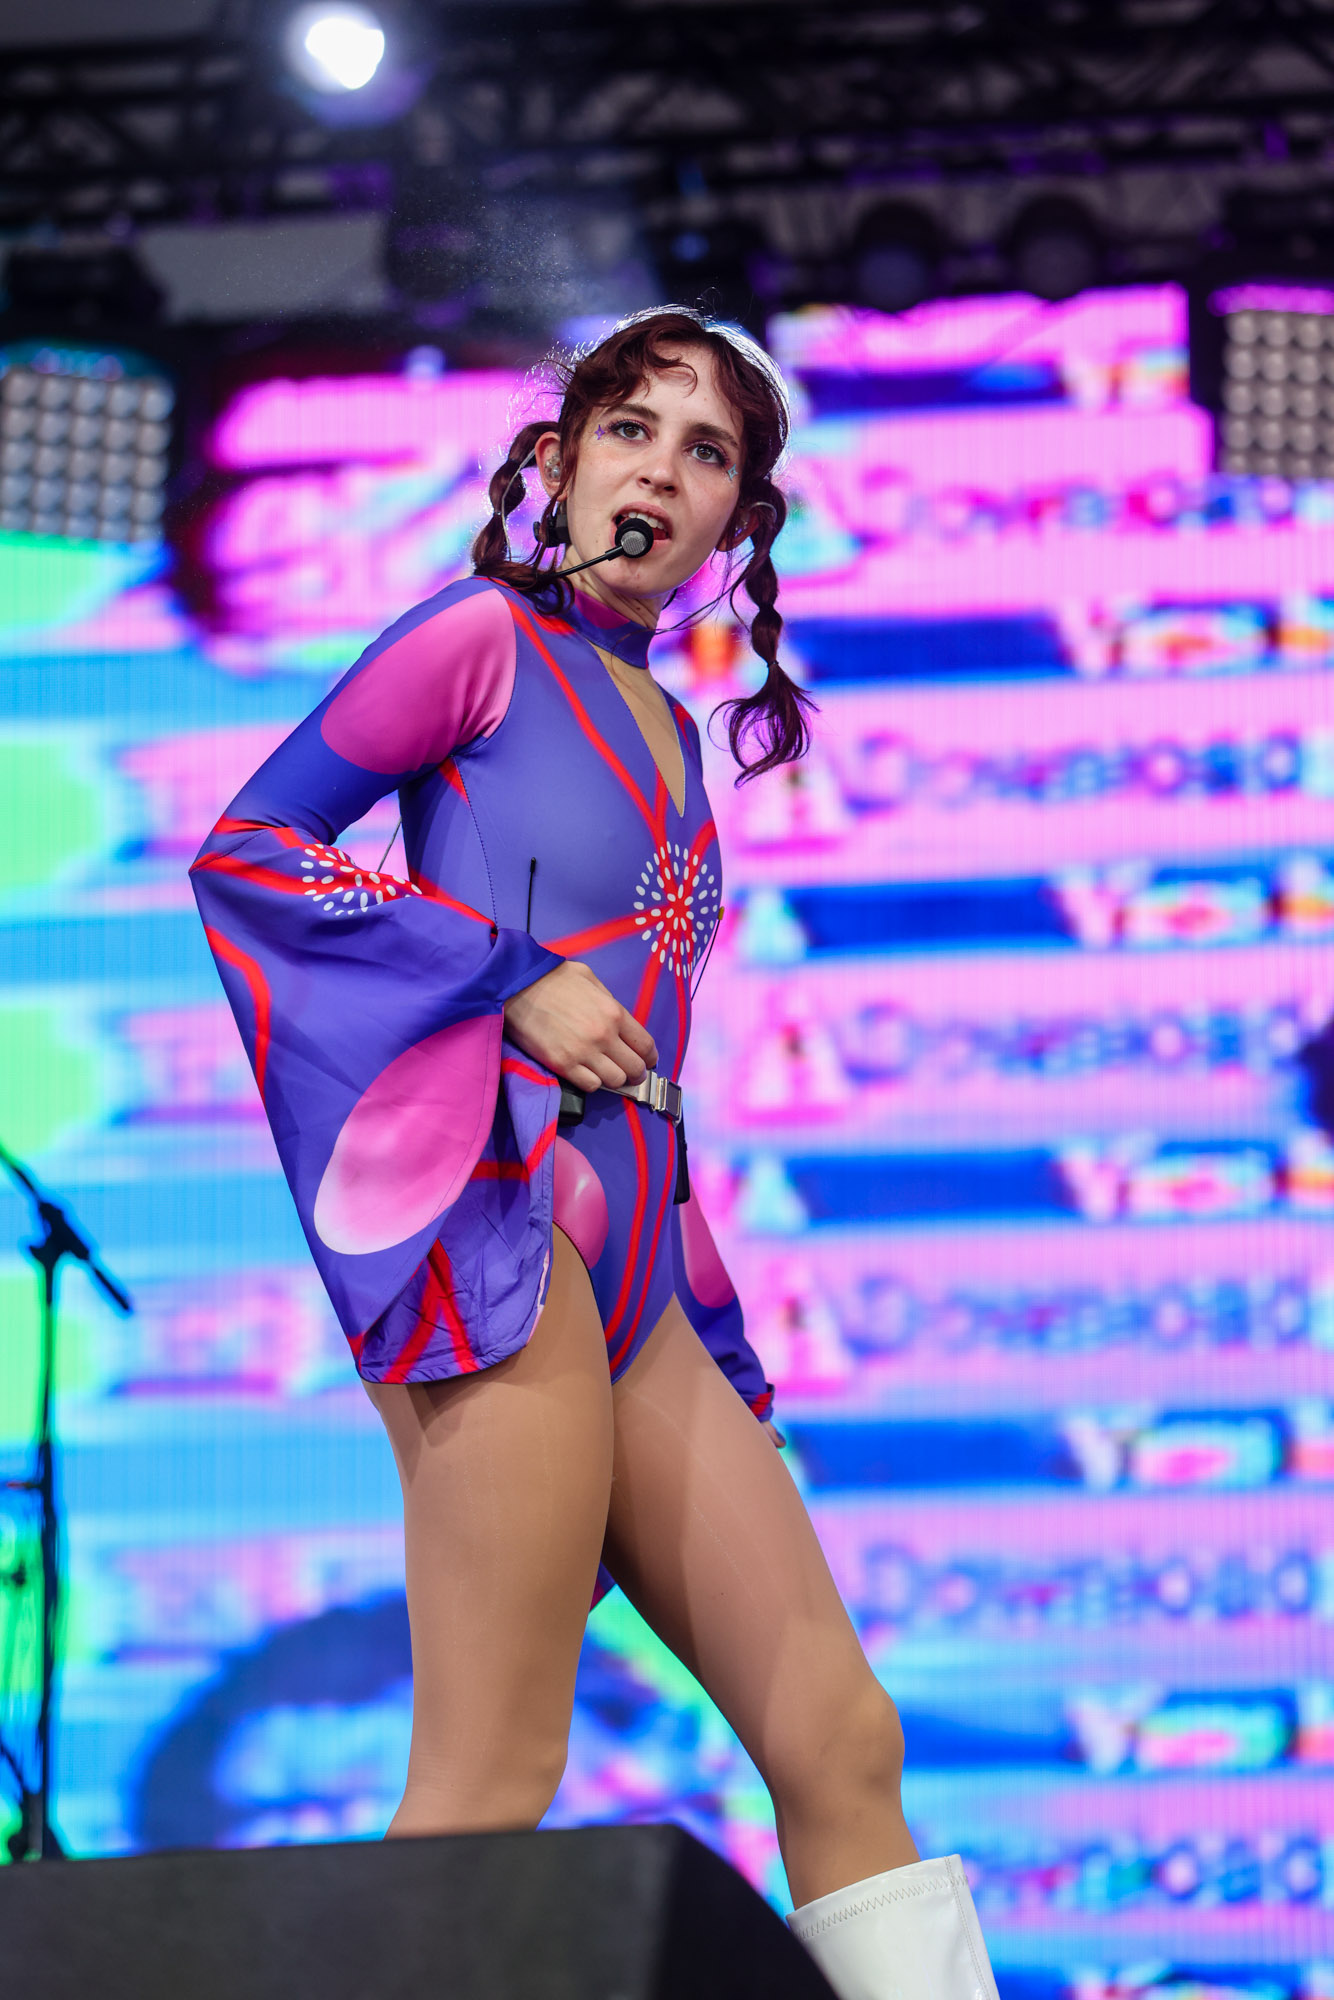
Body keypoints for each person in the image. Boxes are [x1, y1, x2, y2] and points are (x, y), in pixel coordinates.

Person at [190, 307, 999, 2000]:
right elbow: (252, 848)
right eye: (630, 430)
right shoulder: (473, 637)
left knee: (840, 1739)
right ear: (558, 466)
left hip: (643, 1274)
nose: (660, 473)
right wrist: (506, 977)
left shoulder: (676, 737)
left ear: (735, 522)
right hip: (504, 1234)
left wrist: (710, 1316)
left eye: (706, 454)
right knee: (494, 1768)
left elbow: (656, 1065)